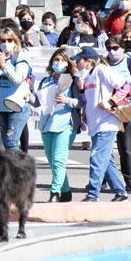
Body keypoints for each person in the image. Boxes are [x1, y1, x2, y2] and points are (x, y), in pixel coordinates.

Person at [72, 46, 129, 203]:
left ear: (88, 60)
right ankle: (121, 192)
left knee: (97, 157)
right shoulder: (89, 75)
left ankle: (92, 194)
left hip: (107, 123)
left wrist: (111, 101)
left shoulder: (102, 70)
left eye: (79, 60)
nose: (77, 63)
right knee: (107, 160)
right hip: (96, 125)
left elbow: (126, 87)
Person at [105, 33, 131, 193]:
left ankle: (130, 180)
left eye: (115, 48)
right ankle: (103, 179)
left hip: (127, 108)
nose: (112, 52)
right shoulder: (104, 63)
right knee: (104, 146)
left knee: (126, 147)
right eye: (109, 48)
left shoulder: (130, 62)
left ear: (122, 48)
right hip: (108, 108)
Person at [37, 48, 79, 202]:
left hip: (65, 123)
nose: (58, 63)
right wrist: (27, 97)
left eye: (62, 60)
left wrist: (67, 100)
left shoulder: (73, 81)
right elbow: (38, 101)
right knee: (52, 161)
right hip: (47, 123)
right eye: (56, 60)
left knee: (59, 159)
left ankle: (55, 193)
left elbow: (81, 102)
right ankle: (66, 191)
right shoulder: (45, 81)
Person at [0, 28, 32, 151]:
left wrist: (4, 65)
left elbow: (17, 80)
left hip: (17, 107)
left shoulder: (20, 58)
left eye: (9, 40)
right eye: (3, 40)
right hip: (0, 107)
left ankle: (16, 170)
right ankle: (16, 168)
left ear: (15, 42)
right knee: (7, 143)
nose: (6, 43)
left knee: (12, 142)